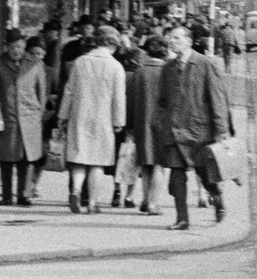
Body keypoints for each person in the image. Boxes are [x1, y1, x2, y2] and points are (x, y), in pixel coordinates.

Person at [159, 25, 231, 229]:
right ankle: (182, 219)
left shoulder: (204, 64)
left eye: (176, 38)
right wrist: (163, 123)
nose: (172, 42)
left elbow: (217, 99)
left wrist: (221, 130)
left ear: (189, 41)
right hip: (174, 131)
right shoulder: (168, 68)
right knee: (176, 178)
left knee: (205, 175)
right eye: (170, 38)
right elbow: (163, 100)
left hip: (199, 131)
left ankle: (217, 198)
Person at [58, 25, 127, 215]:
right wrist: (118, 121)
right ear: (113, 44)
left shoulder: (80, 62)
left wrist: (62, 115)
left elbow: (69, 91)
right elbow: (119, 98)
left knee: (79, 158)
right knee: (97, 161)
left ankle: (76, 191)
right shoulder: (116, 67)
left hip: (79, 116)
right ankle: (93, 203)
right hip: (103, 119)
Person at [0, 29, 45, 206]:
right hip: (7, 116)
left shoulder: (35, 63)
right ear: (7, 47)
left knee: (27, 159)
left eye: (19, 46)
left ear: (25, 46)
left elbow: (41, 92)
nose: (16, 50)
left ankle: (24, 195)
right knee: (5, 158)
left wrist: (38, 115)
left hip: (29, 117)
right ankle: (6, 196)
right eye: (12, 47)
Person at [125, 34, 168, 215]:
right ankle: (154, 203)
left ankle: (144, 199)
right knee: (159, 164)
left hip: (142, 122)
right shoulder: (168, 71)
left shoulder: (139, 72)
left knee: (145, 163)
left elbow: (131, 100)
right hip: (163, 123)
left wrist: (129, 126)